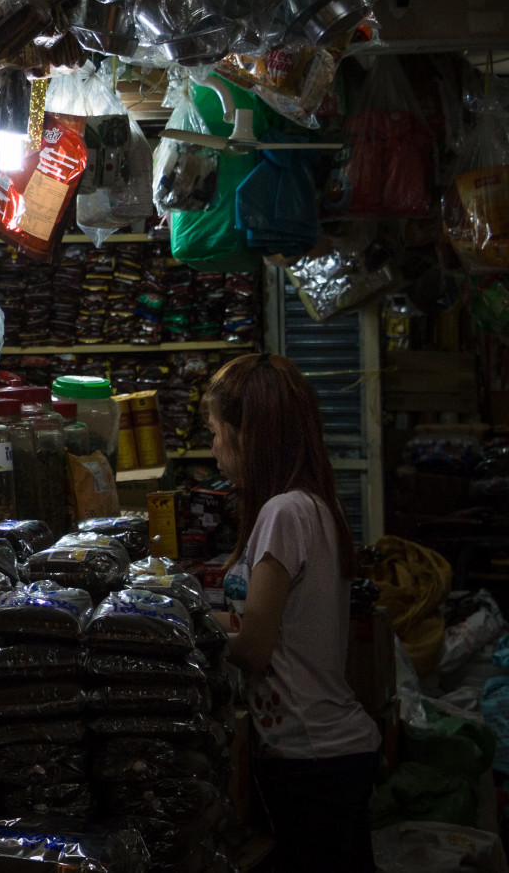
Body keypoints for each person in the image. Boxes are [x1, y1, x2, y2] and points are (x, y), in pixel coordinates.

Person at [208, 352, 381, 873]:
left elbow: (253, 648)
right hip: (330, 749)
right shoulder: (313, 504)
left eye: (215, 432)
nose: (213, 446)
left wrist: (182, 626)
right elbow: (270, 627)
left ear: (248, 435)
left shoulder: (282, 512)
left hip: (312, 756)